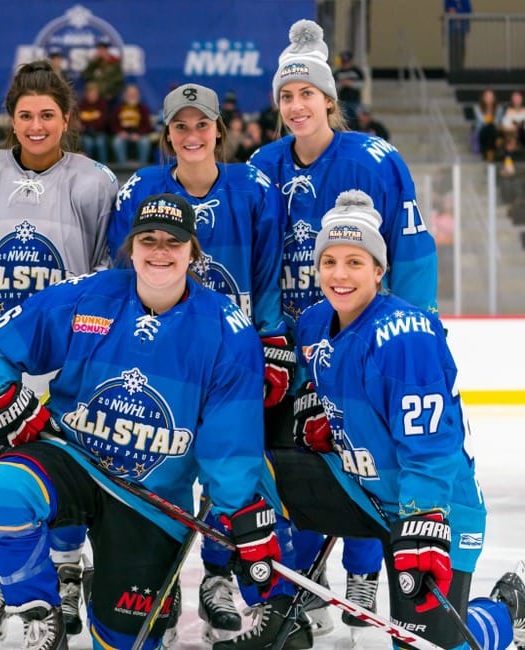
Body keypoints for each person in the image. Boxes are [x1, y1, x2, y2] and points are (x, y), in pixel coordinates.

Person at [0, 192, 283, 650]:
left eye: (173, 242)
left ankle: (149, 599)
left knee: (125, 640)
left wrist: (240, 514)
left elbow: (229, 445)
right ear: (131, 246)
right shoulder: (89, 295)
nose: (159, 251)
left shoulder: (226, 330)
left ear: (192, 252)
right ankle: (39, 611)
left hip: (151, 500)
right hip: (71, 458)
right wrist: (5, 396)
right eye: (148, 239)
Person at [238, 18, 439, 646]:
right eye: (286, 96)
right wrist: (267, 336)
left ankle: (359, 575)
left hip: (359, 339)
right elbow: (256, 260)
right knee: (290, 470)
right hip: (289, 348)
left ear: (329, 99)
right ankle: (294, 589)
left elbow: (410, 258)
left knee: (360, 458)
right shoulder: (262, 164)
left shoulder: (376, 160)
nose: (297, 106)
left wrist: (405, 341)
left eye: (307, 94)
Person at [282, 189, 525, 650]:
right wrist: (310, 405)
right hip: (365, 491)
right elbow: (321, 378)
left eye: (355, 262)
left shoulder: (403, 335)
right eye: (329, 261)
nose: (339, 274)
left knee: (422, 646)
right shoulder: (315, 322)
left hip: (436, 504)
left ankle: (509, 608)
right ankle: (278, 603)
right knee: (262, 470)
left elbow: (431, 447)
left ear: (379, 270)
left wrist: (424, 516)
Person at [106, 83, 294, 647]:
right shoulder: (142, 188)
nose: (192, 136)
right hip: (162, 354)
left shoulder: (253, 188)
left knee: (227, 466)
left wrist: (270, 339)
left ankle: (216, 576)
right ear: (168, 134)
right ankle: (159, 576)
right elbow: (122, 270)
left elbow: (267, 270)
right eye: (181, 127)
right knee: (160, 466)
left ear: (219, 130)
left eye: (202, 125)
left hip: (231, 356)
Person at [0, 58, 118, 646]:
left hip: (58, 359)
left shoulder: (93, 180)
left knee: (57, 466)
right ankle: (1, 576)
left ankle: (66, 573)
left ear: (66, 120)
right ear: (10, 120)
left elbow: (105, 274)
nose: (36, 126)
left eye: (47, 115)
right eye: (25, 116)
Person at [110, 83, 153, 166]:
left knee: (145, 142)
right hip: (123, 134)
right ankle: (123, 168)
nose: (132, 96)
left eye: (134, 94)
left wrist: (139, 134)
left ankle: (142, 167)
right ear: (125, 95)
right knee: (117, 142)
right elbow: (113, 123)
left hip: (138, 134)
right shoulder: (118, 108)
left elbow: (147, 125)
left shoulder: (143, 108)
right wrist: (120, 132)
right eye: (130, 94)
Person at [80, 37, 123, 104]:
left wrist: (112, 94)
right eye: (99, 49)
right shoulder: (95, 63)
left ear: (107, 50)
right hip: (94, 98)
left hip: (109, 98)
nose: (101, 51)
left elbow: (119, 82)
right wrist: (93, 62)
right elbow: (84, 75)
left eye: (103, 49)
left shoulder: (114, 64)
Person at [76, 80, 110, 163]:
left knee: (100, 143)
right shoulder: (81, 105)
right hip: (85, 134)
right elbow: (78, 122)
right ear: (86, 94)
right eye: (90, 93)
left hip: (100, 132)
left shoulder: (102, 104)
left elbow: (103, 121)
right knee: (88, 143)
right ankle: (89, 167)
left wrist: (88, 125)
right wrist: (88, 126)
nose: (93, 95)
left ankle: (104, 167)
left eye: (95, 93)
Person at [333, 50, 364, 121]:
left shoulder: (357, 71)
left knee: (356, 119)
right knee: (344, 119)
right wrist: (341, 84)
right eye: (344, 62)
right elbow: (333, 86)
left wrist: (350, 84)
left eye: (347, 62)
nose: (345, 64)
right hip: (342, 100)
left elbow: (362, 85)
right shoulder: (337, 73)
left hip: (355, 100)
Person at [444, 0, 472, 75]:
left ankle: (460, 70)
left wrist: (457, 12)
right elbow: (448, 11)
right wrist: (457, 13)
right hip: (452, 30)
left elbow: (468, 11)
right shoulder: (448, 1)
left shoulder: (465, 1)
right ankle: (452, 70)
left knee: (461, 49)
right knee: (452, 50)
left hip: (462, 29)